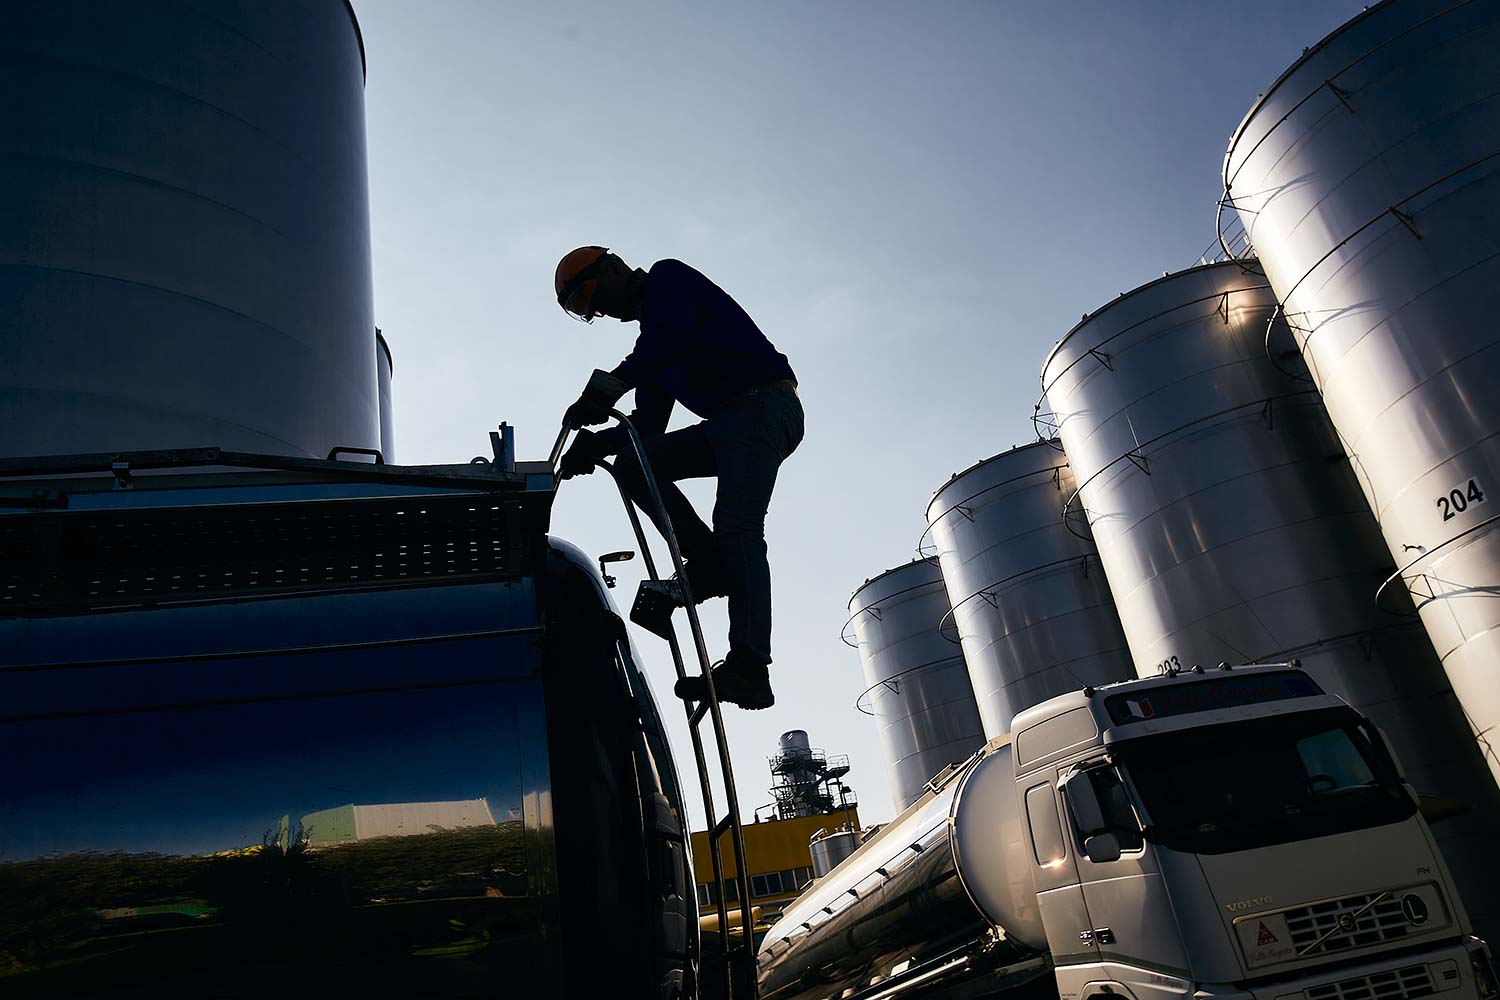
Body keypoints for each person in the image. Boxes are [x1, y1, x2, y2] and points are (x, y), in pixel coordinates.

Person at [553, 246, 803, 710]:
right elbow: (646, 429)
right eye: (594, 311)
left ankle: (749, 668)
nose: (605, 312)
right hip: (732, 419)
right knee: (636, 464)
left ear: (612, 267)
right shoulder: (656, 346)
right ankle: (707, 561)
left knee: (738, 528)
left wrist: (607, 388)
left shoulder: (669, 282)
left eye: (597, 298)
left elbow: (661, 347)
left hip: (763, 407)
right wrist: (598, 443)